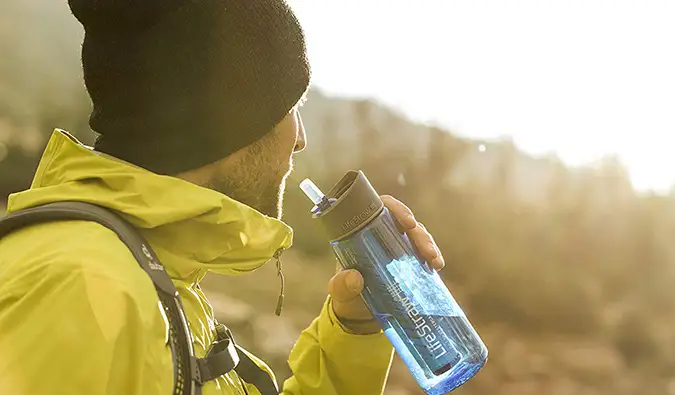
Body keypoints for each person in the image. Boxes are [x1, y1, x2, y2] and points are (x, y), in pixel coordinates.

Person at [0, 1, 445, 394]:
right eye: (291, 106)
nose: (300, 138)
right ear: (231, 123)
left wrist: (355, 325)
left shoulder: (151, 278)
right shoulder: (78, 290)